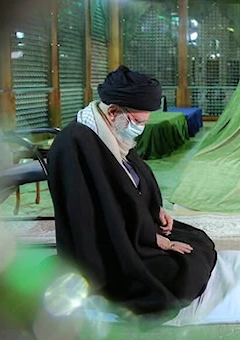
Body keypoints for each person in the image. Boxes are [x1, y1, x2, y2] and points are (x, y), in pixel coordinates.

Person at [47, 65, 217, 316]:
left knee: (199, 241)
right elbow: (92, 218)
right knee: (177, 279)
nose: (140, 128)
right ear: (114, 111)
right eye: (137, 121)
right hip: (109, 247)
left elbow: (136, 181)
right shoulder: (74, 146)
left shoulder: (112, 131)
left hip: (134, 228)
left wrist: (156, 211)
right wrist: (154, 240)